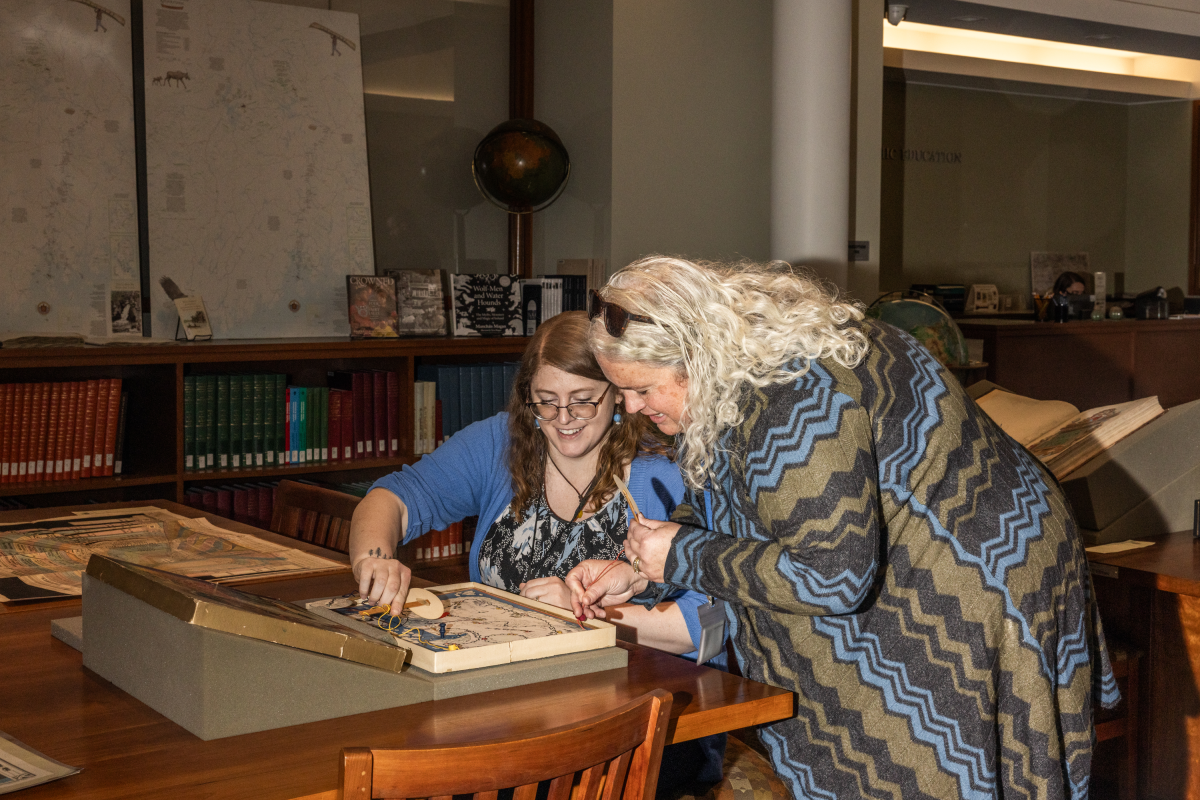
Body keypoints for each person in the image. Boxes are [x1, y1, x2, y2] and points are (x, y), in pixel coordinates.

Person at [568, 257, 1118, 800]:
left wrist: (683, 556)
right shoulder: (727, 378)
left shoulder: (797, 397)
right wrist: (642, 570)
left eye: (641, 389)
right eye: (622, 392)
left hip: (976, 565)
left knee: (922, 752)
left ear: (695, 358)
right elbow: (721, 505)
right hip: (897, 548)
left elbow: (832, 577)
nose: (631, 409)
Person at [350, 310, 726, 790]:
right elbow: (394, 498)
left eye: (583, 402)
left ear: (618, 392)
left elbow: (709, 623)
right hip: (505, 704)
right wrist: (373, 561)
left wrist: (583, 617)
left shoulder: (668, 470)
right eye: (546, 403)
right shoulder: (500, 443)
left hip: (642, 718)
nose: (563, 421)